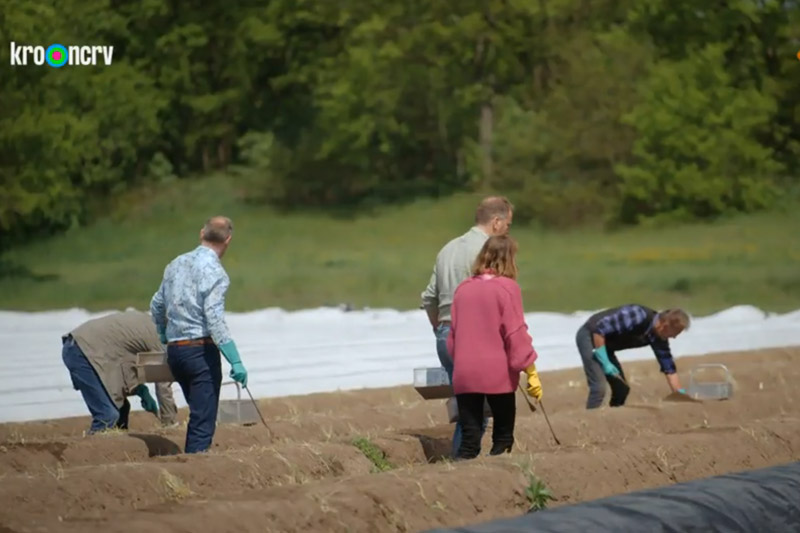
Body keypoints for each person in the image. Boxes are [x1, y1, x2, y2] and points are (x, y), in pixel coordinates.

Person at [420, 196, 515, 458]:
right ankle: (460, 465)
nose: (508, 231)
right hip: (474, 340)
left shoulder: (447, 248)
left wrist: (441, 330)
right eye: (507, 225)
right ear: (496, 222)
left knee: (466, 405)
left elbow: (429, 297)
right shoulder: (490, 250)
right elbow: (497, 298)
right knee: (476, 413)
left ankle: (458, 462)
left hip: (445, 336)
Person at [150, 216, 248, 454]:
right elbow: (214, 319)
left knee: (198, 412)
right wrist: (234, 359)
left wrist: (164, 333)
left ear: (201, 233)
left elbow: (156, 305)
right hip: (200, 352)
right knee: (203, 419)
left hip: (176, 352)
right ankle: (195, 467)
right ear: (228, 240)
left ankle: (192, 462)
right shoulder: (216, 273)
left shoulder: (175, 264)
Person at [446, 234, 542, 460]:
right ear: (509, 259)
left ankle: (461, 480)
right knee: (502, 438)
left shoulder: (463, 289)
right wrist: (529, 369)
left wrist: (460, 361)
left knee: (469, 438)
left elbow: (453, 337)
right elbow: (515, 332)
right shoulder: (508, 288)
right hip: (497, 373)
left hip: (465, 371)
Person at [62, 309, 178, 434]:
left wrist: (140, 389)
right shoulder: (162, 339)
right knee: (107, 415)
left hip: (82, 348)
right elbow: (163, 385)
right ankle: (91, 448)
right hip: (82, 352)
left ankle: (115, 446)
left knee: (122, 408)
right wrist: (169, 424)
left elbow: (125, 366)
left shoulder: (152, 326)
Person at [575, 304, 691, 409]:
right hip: (590, 336)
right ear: (665, 325)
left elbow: (668, 367)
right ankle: (591, 420)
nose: (674, 337)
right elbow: (599, 329)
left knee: (622, 389)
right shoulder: (638, 315)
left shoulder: (658, 336)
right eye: (675, 333)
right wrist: (605, 361)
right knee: (599, 387)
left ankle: (611, 418)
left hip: (606, 346)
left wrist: (679, 393)